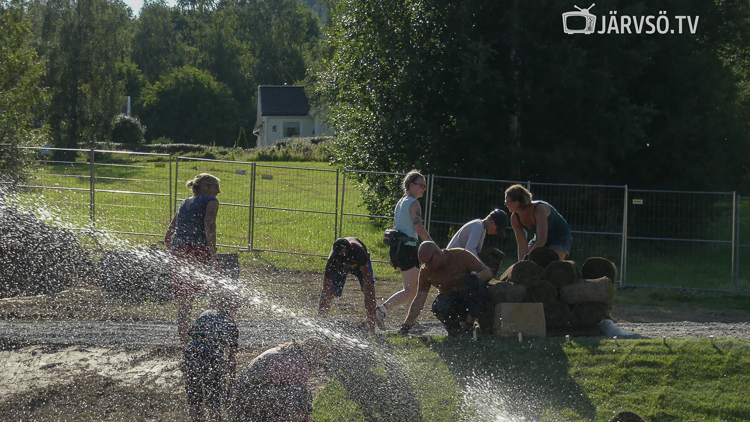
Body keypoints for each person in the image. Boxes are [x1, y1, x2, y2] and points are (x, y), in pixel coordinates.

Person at [165, 173, 222, 346]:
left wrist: (173, 251)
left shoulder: (184, 202)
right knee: (216, 288)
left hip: (179, 250)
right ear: (205, 187)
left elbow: (169, 233)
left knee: (185, 302)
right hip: (198, 249)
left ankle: (185, 345)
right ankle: (211, 336)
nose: (219, 191)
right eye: (216, 187)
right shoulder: (210, 201)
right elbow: (209, 225)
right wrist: (213, 254)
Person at [375, 170, 433, 330]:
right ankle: (381, 310)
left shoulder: (401, 202)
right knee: (409, 289)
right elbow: (419, 228)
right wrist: (432, 246)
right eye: (421, 185)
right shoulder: (413, 203)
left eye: (425, 186)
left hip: (398, 248)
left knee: (412, 287)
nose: (423, 189)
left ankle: (411, 321)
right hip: (407, 248)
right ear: (411, 185)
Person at [398, 241, 492, 336]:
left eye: (429, 262)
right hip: (452, 300)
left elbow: (486, 272)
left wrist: (474, 278)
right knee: (439, 306)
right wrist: (406, 326)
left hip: (470, 297)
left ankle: (469, 325)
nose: (428, 266)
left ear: (438, 253)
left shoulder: (461, 255)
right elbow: (419, 300)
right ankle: (455, 331)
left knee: (476, 284)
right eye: (425, 264)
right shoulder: (425, 271)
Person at [228, 337, 331, 422]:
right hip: (246, 403)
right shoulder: (300, 364)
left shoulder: (287, 351)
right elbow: (300, 404)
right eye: (322, 357)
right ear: (315, 354)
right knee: (301, 394)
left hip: (239, 400)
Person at [183, 293, 239, 422]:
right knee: (214, 401)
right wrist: (231, 383)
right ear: (233, 307)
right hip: (211, 358)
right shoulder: (231, 323)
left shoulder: (204, 314)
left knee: (194, 399)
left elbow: (191, 335)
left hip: (191, 354)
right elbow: (231, 359)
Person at [318, 237, 378, 332]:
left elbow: (367, 276)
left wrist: (367, 291)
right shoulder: (332, 259)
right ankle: (320, 322)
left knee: (369, 291)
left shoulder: (359, 251)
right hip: (340, 267)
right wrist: (328, 294)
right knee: (329, 293)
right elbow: (326, 286)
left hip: (359, 265)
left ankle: (372, 328)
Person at [504, 184, 572, 262]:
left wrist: (528, 258)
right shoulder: (514, 218)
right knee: (528, 258)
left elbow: (542, 238)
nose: (505, 203)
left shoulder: (539, 209)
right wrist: (521, 264)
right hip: (539, 238)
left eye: (507, 201)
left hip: (560, 238)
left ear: (517, 203)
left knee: (550, 262)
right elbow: (522, 245)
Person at [446, 209, 509, 276]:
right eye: (497, 229)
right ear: (492, 222)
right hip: (451, 264)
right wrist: (484, 268)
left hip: (457, 262)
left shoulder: (481, 228)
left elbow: (475, 252)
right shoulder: (477, 227)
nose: (496, 233)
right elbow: (470, 251)